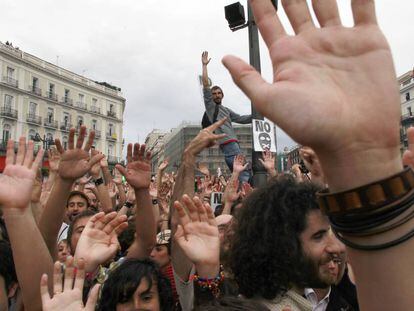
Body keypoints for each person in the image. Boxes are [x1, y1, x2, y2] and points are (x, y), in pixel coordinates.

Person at [222, 0, 411, 309]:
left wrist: (367, 162)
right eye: (319, 235)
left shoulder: (346, 299)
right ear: (282, 245)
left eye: (332, 231)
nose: (337, 246)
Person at [201, 51, 252, 182]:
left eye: (219, 93)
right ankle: (245, 198)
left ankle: (238, 198)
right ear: (211, 97)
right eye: (214, 93)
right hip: (229, 145)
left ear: (222, 95)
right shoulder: (211, 108)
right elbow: (206, 85)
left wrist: (259, 113)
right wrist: (204, 66)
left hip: (232, 146)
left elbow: (242, 119)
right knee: (245, 174)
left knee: (238, 176)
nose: (217, 95)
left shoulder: (226, 110)